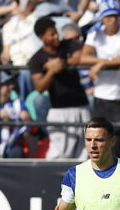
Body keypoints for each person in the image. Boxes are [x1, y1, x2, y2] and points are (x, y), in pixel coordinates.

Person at [80, 0, 120, 156]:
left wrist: (102, 64)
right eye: (108, 16)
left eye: (115, 16)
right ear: (102, 18)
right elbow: (83, 56)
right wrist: (105, 61)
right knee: (97, 141)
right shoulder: (95, 33)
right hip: (101, 96)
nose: (113, 20)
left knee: (116, 143)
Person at [28, 16, 91, 159]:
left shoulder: (69, 44)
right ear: (41, 37)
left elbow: (80, 57)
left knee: (85, 153)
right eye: (51, 34)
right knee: (60, 153)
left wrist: (62, 63)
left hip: (82, 105)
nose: (56, 36)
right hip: (59, 109)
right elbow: (39, 88)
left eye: (56, 32)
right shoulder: (36, 59)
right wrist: (51, 71)